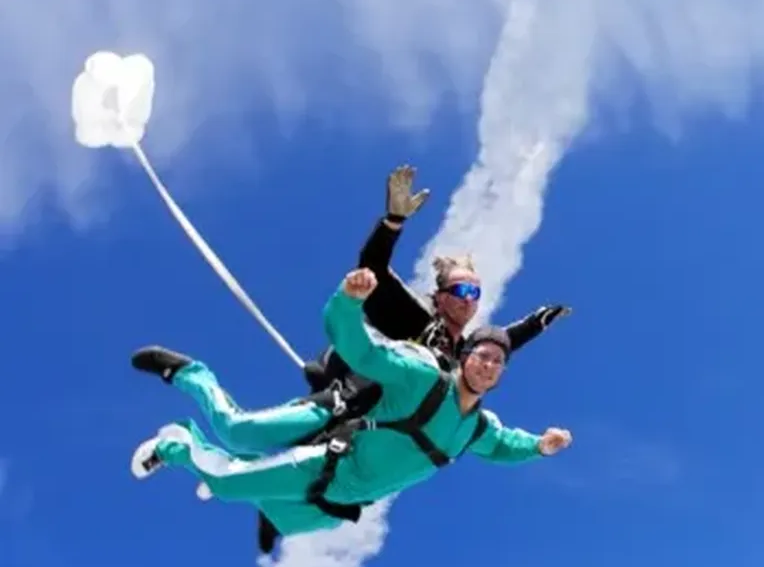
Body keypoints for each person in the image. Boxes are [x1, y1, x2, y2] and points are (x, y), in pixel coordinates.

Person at [130, 268, 573, 541]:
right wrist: (349, 299)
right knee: (233, 449)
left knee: (272, 510)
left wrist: (541, 445)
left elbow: (504, 443)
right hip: (339, 422)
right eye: (459, 291)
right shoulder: (420, 364)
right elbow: (362, 349)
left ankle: (233, 469)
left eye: (498, 362)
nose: (489, 364)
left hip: (343, 499)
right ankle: (183, 421)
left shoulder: (478, 424)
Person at [302, 164, 572, 395]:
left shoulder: (464, 352)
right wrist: (393, 221)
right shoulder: (411, 317)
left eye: (475, 293)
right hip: (353, 400)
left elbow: (504, 339)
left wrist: (538, 322)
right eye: (462, 289)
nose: (468, 298)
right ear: (441, 297)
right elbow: (373, 267)